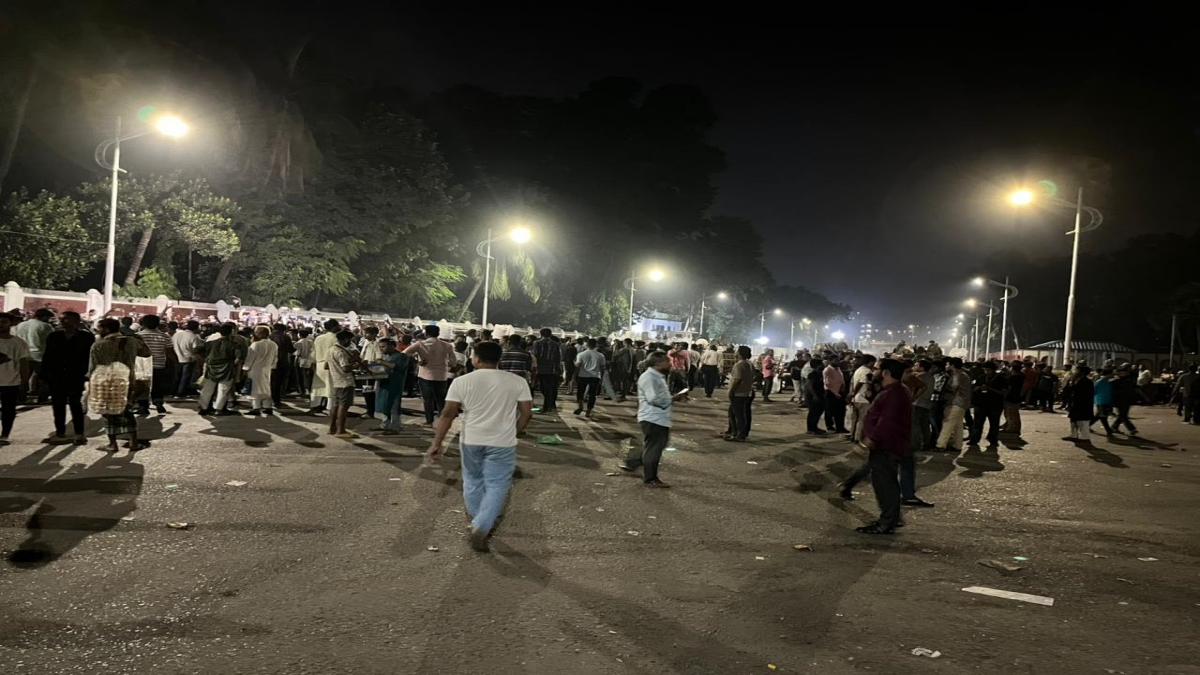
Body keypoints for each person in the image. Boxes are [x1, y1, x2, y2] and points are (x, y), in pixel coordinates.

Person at [426, 340, 533, 552]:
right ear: (498, 359)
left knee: (472, 481)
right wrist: (515, 430)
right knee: (497, 484)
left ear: (476, 358)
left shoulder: (461, 382)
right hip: (502, 442)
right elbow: (527, 413)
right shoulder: (517, 381)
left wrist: (437, 443)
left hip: (472, 440)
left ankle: (477, 520)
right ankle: (483, 524)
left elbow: (447, 414)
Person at [856, 359, 912, 535]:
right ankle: (890, 518)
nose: (874, 371)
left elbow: (887, 422)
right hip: (886, 444)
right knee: (885, 482)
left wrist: (871, 439)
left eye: (877, 369)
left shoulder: (894, 393)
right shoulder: (891, 391)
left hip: (886, 445)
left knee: (885, 484)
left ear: (886, 372)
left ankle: (886, 523)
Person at [618, 351, 689, 487]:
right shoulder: (650, 378)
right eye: (666, 361)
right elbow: (654, 399)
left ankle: (633, 462)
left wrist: (674, 398)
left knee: (655, 445)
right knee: (655, 447)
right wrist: (673, 398)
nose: (670, 363)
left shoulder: (657, 376)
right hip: (652, 417)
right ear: (658, 363)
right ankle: (650, 478)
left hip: (657, 417)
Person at [89, 318, 151, 452]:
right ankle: (133, 442)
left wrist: (89, 383)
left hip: (105, 382)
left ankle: (112, 443)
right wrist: (138, 339)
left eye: (99, 328)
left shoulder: (98, 345)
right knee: (126, 409)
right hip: (127, 380)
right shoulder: (132, 341)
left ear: (106, 329)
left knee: (107, 412)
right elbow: (146, 353)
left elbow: (93, 367)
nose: (97, 330)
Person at [40, 311, 95, 444]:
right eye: (62, 319)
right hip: (56, 374)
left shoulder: (86, 337)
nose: (63, 321)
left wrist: (89, 374)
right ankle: (60, 432)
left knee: (76, 404)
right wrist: (44, 375)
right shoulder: (54, 336)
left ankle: (79, 433)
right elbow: (47, 356)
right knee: (57, 405)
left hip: (76, 375)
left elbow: (91, 357)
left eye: (66, 319)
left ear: (75, 321)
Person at [403, 325, 457, 426]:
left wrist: (418, 361)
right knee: (441, 400)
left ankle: (429, 421)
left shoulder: (420, 344)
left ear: (426, 333)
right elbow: (453, 362)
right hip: (442, 376)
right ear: (438, 333)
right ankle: (443, 422)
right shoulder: (447, 345)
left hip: (425, 375)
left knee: (428, 400)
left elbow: (404, 353)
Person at [197, 324, 247, 416]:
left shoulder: (210, 343)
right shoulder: (234, 345)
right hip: (227, 369)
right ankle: (219, 409)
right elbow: (239, 357)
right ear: (231, 332)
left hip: (211, 368)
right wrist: (233, 365)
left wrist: (204, 360)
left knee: (207, 389)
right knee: (223, 390)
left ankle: (203, 408)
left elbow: (197, 351)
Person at [0, 313, 32, 444]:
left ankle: (4, 435)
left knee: (9, 411)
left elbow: (23, 363)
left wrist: (24, 381)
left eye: (4, 322)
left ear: (10, 323)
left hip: (11, 381)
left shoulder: (19, 343)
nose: (0, 325)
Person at [372, 336, 412, 434]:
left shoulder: (401, 356)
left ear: (391, 346)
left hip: (394, 385)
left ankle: (395, 427)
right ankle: (385, 424)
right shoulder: (387, 356)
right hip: (384, 384)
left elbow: (397, 367)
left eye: (383, 347)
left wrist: (382, 362)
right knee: (385, 406)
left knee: (394, 407)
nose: (381, 349)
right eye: (380, 347)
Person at [136, 315, 174, 415]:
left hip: (142, 365)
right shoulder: (165, 336)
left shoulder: (138, 336)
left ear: (143, 323)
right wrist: (174, 362)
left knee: (143, 386)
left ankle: (143, 406)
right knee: (158, 385)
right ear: (158, 324)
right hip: (159, 364)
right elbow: (169, 352)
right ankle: (158, 402)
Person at [14, 308, 54, 402]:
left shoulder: (20, 325)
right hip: (39, 355)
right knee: (42, 379)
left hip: (23, 355)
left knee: (22, 377)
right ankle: (42, 398)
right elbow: (51, 341)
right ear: (44, 317)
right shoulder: (45, 326)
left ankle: (21, 397)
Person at [326, 330, 360, 438]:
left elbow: (326, 366)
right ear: (345, 339)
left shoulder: (331, 350)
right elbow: (345, 368)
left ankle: (332, 427)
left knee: (335, 405)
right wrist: (355, 365)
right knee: (343, 407)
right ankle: (341, 430)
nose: (350, 343)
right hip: (345, 381)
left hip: (335, 381)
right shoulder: (340, 352)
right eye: (349, 340)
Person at [935, 358, 971, 452]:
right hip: (962, 403)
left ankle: (940, 445)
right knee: (958, 426)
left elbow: (954, 387)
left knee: (948, 423)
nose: (946, 366)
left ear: (952, 365)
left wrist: (944, 391)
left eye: (947, 364)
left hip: (955, 402)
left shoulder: (957, 375)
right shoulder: (963, 374)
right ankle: (957, 445)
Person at [968, 361, 1007, 446]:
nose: (986, 372)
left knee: (994, 424)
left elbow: (1003, 392)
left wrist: (990, 389)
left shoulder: (1001, 379)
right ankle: (974, 439)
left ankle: (993, 439)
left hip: (995, 405)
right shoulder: (981, 377)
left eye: (988, 370)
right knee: (977, 424)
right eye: (985, 370)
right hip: (980, 404)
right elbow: (974, 389)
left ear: (993, 370)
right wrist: (977, 388)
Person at [243, 326, 279, 416]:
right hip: (267, 369)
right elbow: (275, 358)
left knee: (255, 389)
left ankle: (256, 408)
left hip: (255, 369)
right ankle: (267, 407)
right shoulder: (273, 344)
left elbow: (250, 358)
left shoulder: (256, 344)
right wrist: (272, 367)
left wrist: (245, 369)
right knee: (266, 388)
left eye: (257, 332)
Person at [308, 319, 341, 415]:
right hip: (332, 365)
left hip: (319, 364)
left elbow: (313, 353)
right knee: (332, 388)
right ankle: (331, 409)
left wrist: (313, 364)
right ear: (334, 327)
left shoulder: (319, 338)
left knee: (317, 387)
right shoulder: (337, 338)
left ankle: (314, 406)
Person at [725, 345, 754, 441]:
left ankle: (739, 434)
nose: (736, 353)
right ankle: (740, 433)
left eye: (737, 351)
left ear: (740, 353)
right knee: (743, 413)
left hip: (738, 392)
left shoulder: (739, 365)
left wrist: (732, 391)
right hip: (747, 391)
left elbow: (737, 379)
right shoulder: (749, 363)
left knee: (737, 414)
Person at [531, 328, 563, 413]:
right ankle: (547, 406)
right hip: (550, 369)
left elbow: (534, 355)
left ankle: (545, 405)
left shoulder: (536, 343)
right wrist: (558, 367)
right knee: (548, 388)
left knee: (541, 387)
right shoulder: (555, 344)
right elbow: (558, 357)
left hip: (539, 368)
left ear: (540, 334)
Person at [847, 354, 876, 441]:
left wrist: (852, 395)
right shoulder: (867, 371)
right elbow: (862, 383)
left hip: (857, 398)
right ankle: (858, 437)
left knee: (855, 419)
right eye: (873, 362)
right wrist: (854, 393)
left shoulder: (858, 370)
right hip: (863, 399)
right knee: (862, 419)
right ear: (870, 362)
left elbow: (853, 383)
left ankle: (852, 435)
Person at [573, 338, 605, 418]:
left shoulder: (581, 354)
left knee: (580, 392)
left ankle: (580, 406)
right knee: (592, 394)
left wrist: (573, 377)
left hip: (582, 375)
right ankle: (589, 411)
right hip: (595, 376)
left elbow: (577, 367)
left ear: (586, 345)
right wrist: (602, 378)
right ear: (595, 345)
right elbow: (602, 368)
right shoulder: (600, 355)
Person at [172, 320, 203, 396]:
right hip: (188, 358)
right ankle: (181, 392)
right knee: (186, 377)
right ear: (196, 328)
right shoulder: (194, 337)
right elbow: (195, 348)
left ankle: (174, 390)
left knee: (177, 376)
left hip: (177, 357)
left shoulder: (177, 334)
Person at [270, 323, 295, 408]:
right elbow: (291, 349)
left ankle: (266, 400)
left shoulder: (269, 336)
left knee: (268, 381)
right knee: (278, 383)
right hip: (282, 362)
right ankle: (276, 400)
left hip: (268, 362)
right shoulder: (285, 337)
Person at [823, 356, 849, 434]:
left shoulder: (838, 369)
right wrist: (835, 393)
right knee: (830, 411)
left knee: (840, 411)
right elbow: (827, 384)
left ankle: (840, 427)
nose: (838, 361)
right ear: (830, 361)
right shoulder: (828, 370)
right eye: (836, 360)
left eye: (838, 360)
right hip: (831, 392)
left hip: (840, 392)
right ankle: (830, 426)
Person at [1111, 366, 1139, 436]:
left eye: (1125, 372)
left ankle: (1114, 427)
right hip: (1119, 400)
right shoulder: (1115, 381)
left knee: (1122, 415)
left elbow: (1135, 389)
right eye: (1122, 372)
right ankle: (1131, 429)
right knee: (1123, 415)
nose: (1124, 373)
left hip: (1127, 399)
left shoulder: (1129, 380)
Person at [1002, 361, 1025, 435]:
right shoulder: (1021, 376)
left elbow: (1009, 388)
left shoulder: (1012, 378)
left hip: (1010, 397)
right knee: (1015, 413)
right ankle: (1015, 426)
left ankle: (1011, 427)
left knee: (1010, 413)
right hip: (1017, 396)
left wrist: (1005, 396)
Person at [805, 357, 826, 434]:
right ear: (817, 365)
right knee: (813, 412)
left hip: (820, 394)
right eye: (821, 364)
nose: (823, 365)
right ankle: (811, 429)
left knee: (818, 412)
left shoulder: (820, 373)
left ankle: (814, 427)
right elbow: (810, 386)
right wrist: (814, 395)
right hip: (814, 396)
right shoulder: (812, 374)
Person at [1091, 368, 1115, 434]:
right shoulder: (1100, 382)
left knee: (1099, 415)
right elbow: (1093, 390)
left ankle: (1088, 425)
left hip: (1106, 400)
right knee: (1103, 416)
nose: (1113, 374)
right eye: (1112, 373)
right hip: (1100, 400)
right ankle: (1108, 430)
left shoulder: (1108, 381)